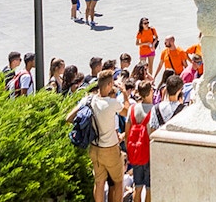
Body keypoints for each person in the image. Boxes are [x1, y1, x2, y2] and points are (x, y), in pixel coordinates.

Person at [65, 70, 129, 202]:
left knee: (99, 183)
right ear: (110, 84)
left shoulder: (88, 100)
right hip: (110, 149)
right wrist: (124, 93)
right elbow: (127, 111)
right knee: (118, 182)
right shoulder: (112, 104)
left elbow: (69, 118)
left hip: (94, 148)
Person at [125, 80, 154, 202]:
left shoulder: (132, 109)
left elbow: (127, 133)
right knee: (149, 188)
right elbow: (152, 133)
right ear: (149, 93)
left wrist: (129, 151)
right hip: (148, 153)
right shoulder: (153, 110)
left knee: (137, 186)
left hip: (135, 152)